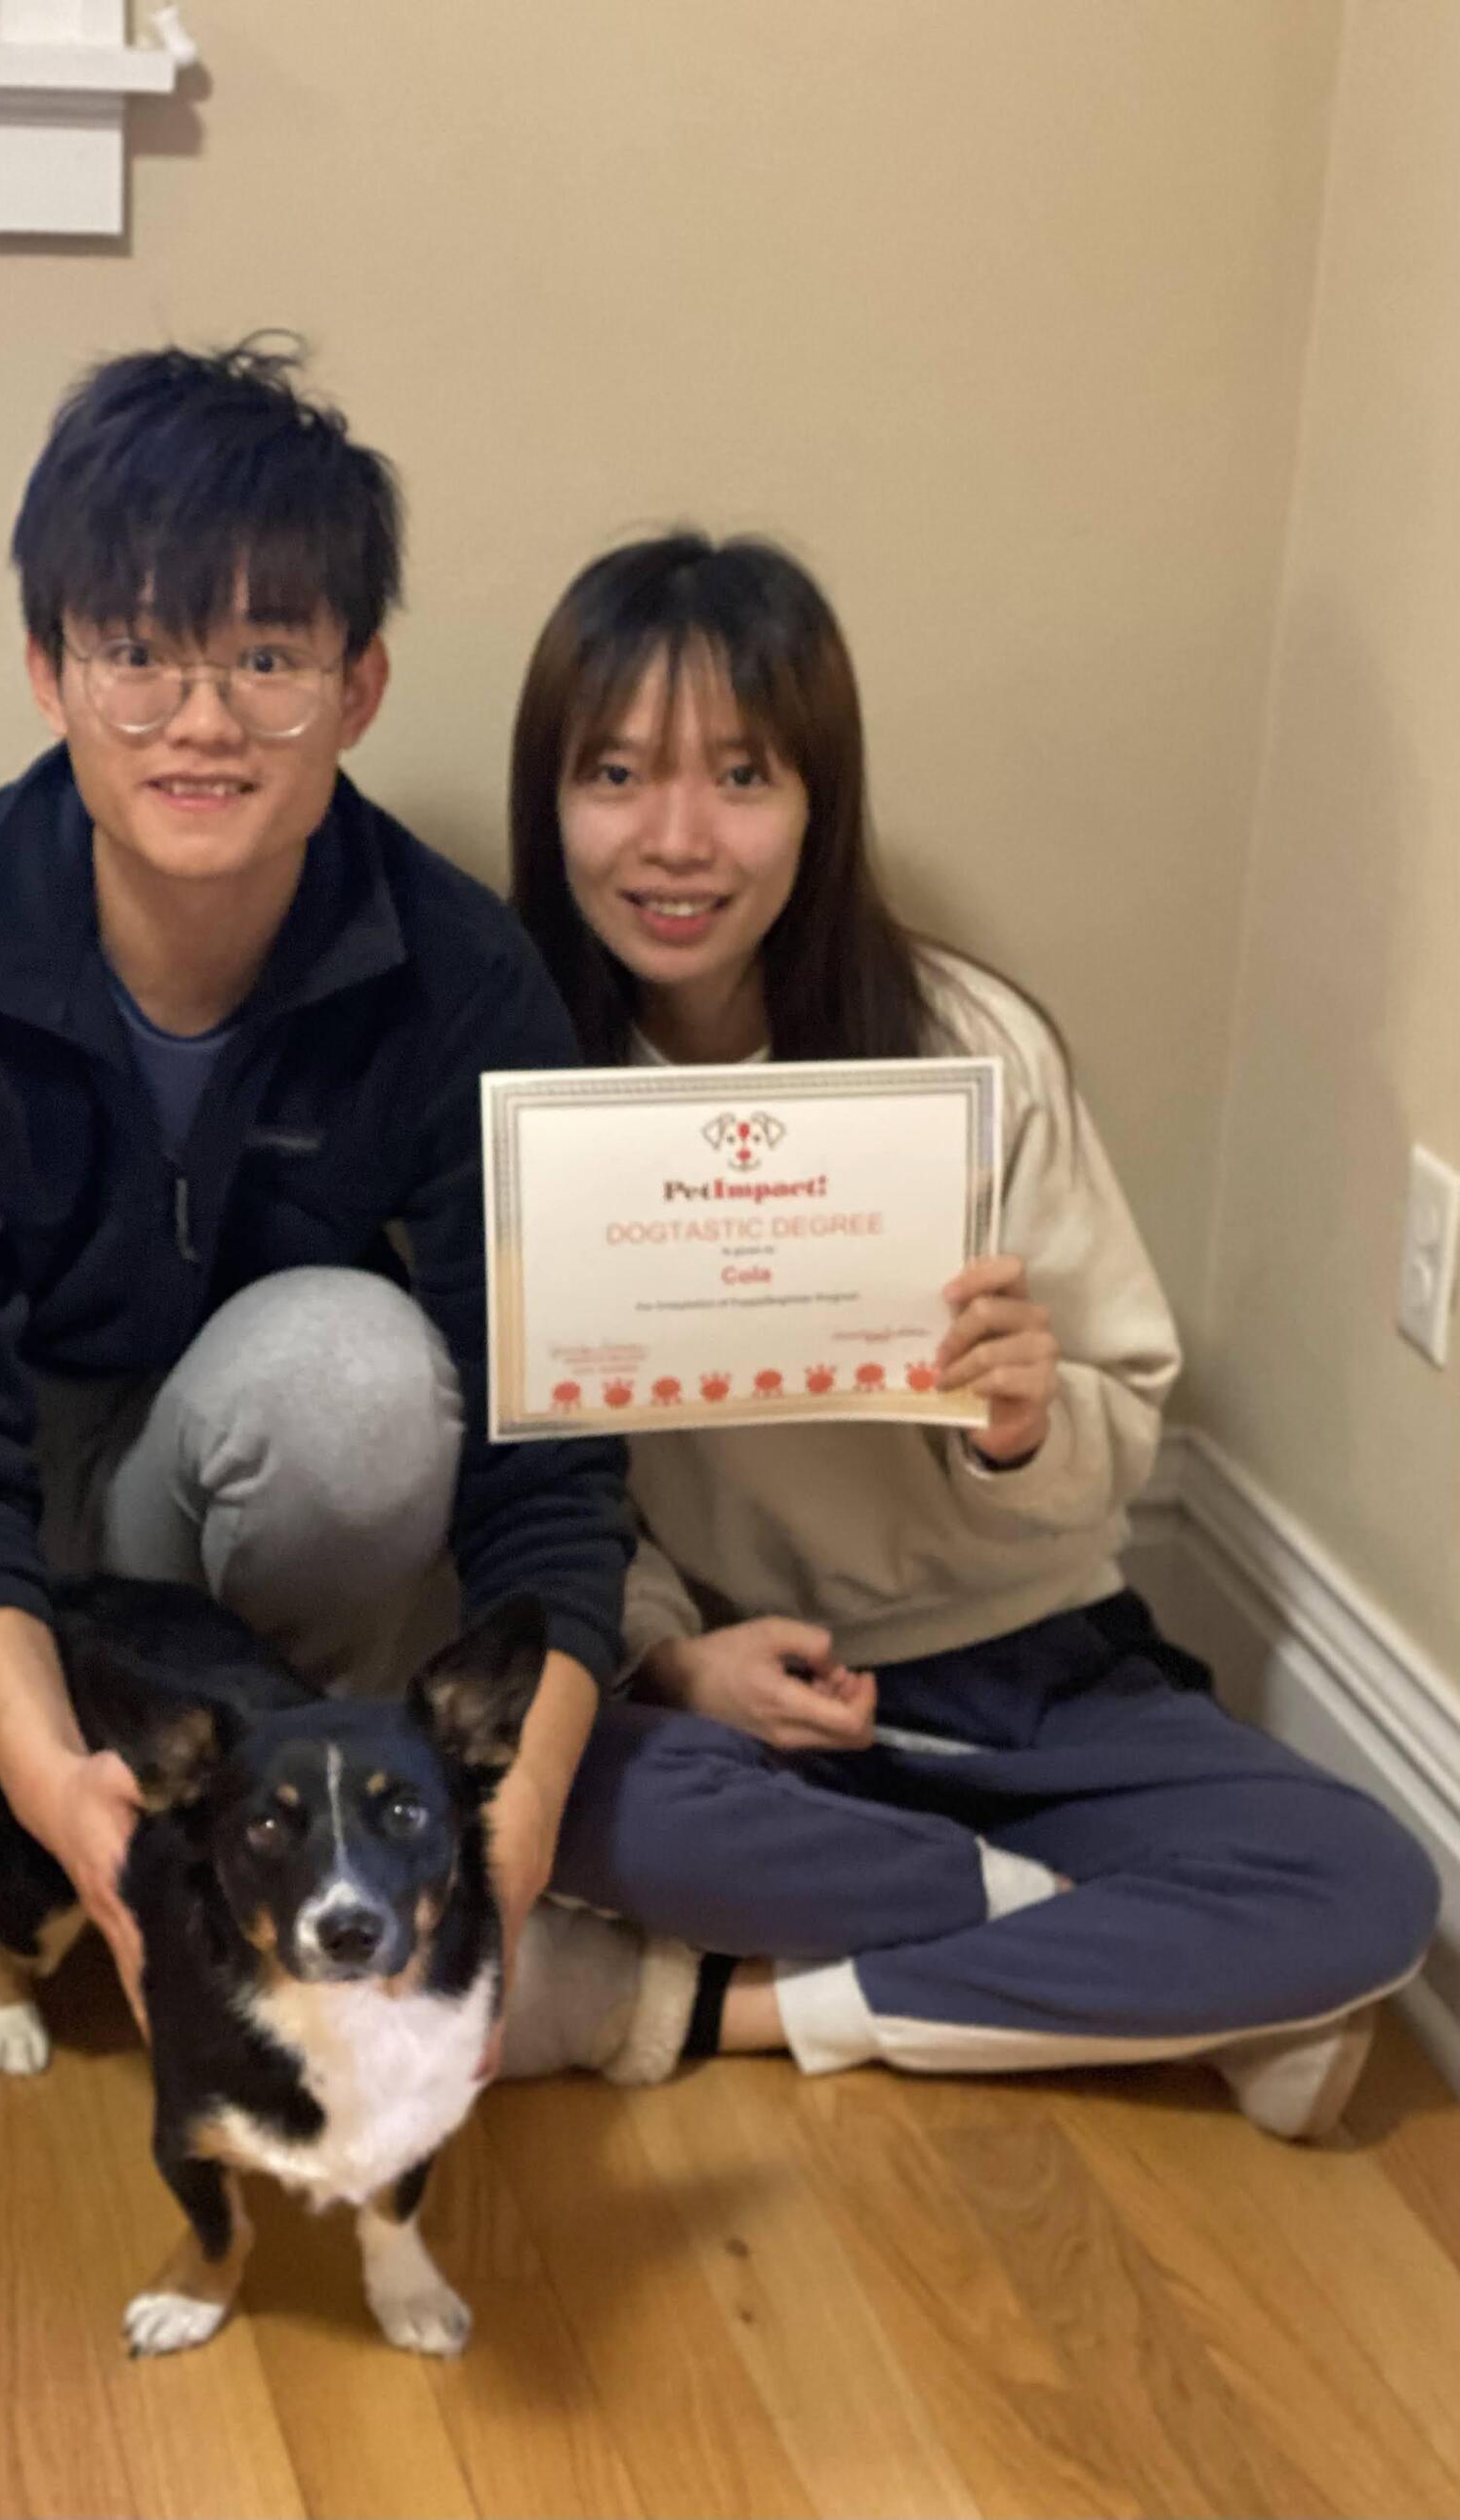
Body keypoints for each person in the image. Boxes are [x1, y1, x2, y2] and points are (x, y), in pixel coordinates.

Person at [0, 343, 629, 2097]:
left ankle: (265, 1825)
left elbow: (553, 1452)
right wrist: (49, 1781)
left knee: (364, 1369)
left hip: (204, 1500)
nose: (201, 721)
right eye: (138, 653)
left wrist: (514, 1830)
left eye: (268, 658)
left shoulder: (462, 978)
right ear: (50, 670)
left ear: (360, 686)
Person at [496, 530, 1439, 2136]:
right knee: (553, 1793)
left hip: (1040, 1685)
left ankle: (710, 2005)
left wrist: (1023, 1419)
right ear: (552, 802)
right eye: (613, 773)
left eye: (740, 775)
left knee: (1367, 1887)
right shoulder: (517, 1084)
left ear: (820, 802)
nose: (675, 840)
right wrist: (671, 1650)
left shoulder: (971, 1054)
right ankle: (1118, 1958)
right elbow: (535, 1474)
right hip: (743, 1701)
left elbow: (1121, 1407)